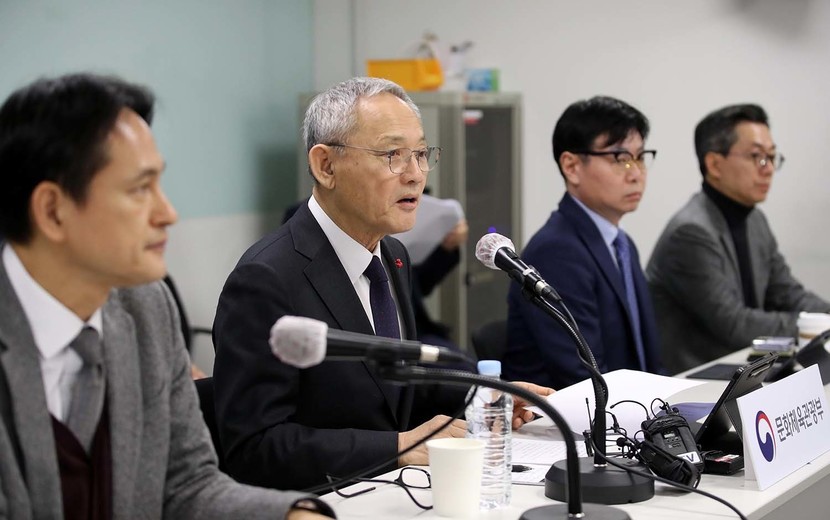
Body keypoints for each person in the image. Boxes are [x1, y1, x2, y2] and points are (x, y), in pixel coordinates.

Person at [0, 73, 331, 519]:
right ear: (52, 210)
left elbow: (187, 484)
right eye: (140, 189)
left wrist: (294, 515)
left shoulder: (146, 307)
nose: (168, 213)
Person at [212, 77, 551, 491]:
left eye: (421, 154)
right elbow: (254, 450)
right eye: (393, 155)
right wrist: (398, 447)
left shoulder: (391, 254)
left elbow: (395, 390)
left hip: (397, 492)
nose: (416, 175)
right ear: (326, 166)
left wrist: (481, 396)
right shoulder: (265, 279)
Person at [647, 104, 830, 373]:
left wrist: (825, 314)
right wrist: (813, 324)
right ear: (714, 164)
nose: (768, 169)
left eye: (771, 157)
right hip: (698, 380)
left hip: (746, 370)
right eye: (757, 156)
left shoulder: (755, 220)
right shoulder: (690, 232)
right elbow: (735, 324)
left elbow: (786, 292)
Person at [503, 96, 663, 389]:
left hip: (634, 406)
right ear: (572, 166)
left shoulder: (622, 244)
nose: (637, 173)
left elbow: (648, 359)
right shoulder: (556, 252)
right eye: (621, 158)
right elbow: (584, 378)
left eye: (640, 157)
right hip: (567, 414)